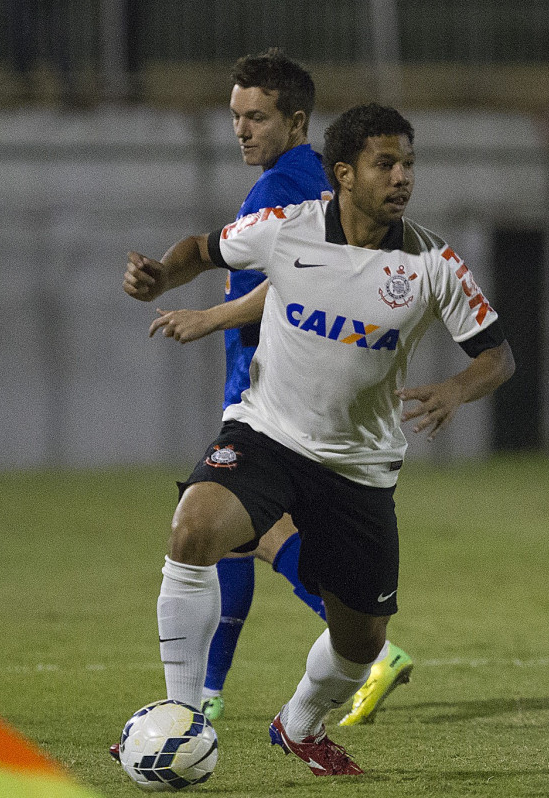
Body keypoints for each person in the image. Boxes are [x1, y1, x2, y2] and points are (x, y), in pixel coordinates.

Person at [122, 103, 515, 775]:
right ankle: (182, 718)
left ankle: (299, 723)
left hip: (359, 468)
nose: (402, 178)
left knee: (360, 642)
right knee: (192, 529)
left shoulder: (432, 262)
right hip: (267, 432)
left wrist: (454, 388)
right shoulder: (286, 228)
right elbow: (201, 247)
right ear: (344, 173)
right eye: (385, 163)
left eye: (408, 164)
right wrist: (163, 273)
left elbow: (497, 357)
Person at [147, 49, 413, 726]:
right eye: (235, 116)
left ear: (295, 120)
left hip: (275, 389)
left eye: (256, 117)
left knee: (221, 525)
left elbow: (303, 277)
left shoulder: (284, 187)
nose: (241, 129)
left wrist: (210, 315)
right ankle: (208, 691)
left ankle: (351, 653)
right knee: (237, 535)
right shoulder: (303, 178)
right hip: (283, 384)